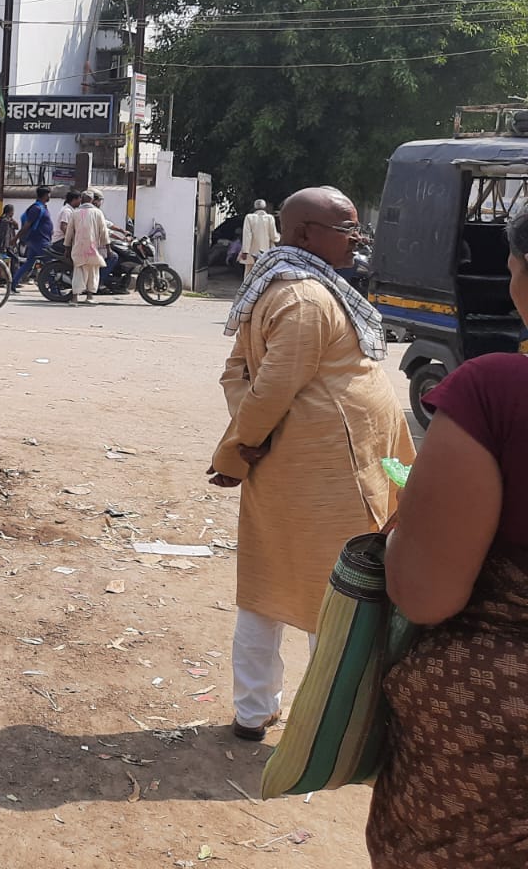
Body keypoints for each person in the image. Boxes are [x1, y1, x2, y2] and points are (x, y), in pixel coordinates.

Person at [208, 186, 413, 741]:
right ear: (303, 234)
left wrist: (245, 444)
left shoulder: (290, 286)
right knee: (336, 592)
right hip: (323, 469)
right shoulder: (304, 297)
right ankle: (331, 721)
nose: (357, 237)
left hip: (306, 460)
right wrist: (239, 449)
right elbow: (266, 384)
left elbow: (241, 378)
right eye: (346, 228)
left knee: (269, 585)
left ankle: (257, 711)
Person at [366, 207, 528, 867]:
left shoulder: (495, 393)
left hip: (491, 753)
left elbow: (425, 596)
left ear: (521, 275)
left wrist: (409, 518)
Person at [65, 192, 110, 303]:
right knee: (93, 271)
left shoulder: (75, 213)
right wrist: (108, 248)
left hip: (79, 248)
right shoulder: (98, 213)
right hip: (93, 247)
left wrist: (67, 247)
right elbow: (104, 231)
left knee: (79, 271)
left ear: (82, 199)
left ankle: (75, 298)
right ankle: (89, 297)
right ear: (91, 200)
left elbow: (69, 232)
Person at [11, 186, 54, 289]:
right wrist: (16, 238)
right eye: (49, 194)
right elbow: (27, 225)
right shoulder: (36, 208)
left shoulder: (43, 207)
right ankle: (54, 289)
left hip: (37, 241)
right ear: (44, 195)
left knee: (28, 263)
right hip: (39, 241)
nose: (50, 196)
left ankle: (13, 283)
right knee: (50, 264)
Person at [239, 199, 280, 279]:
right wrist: (278, 237)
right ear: (265, 207)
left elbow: (247, 235)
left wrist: (245, 251)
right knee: (263, 274)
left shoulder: (249, 217)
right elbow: (273, 236)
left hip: (251, 251)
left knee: (248, 274)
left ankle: (246, 290)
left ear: (254, 207)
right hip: (265, 252)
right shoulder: (270, 218)